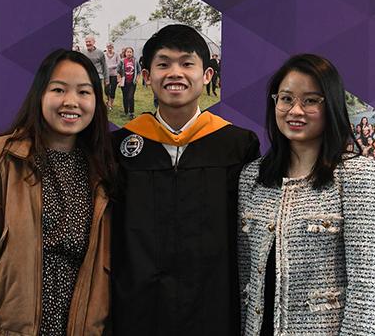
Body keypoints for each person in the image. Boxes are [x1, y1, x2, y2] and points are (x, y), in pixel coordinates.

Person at [0, 49, 117, 335]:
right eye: (58, 89)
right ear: (39, 95)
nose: (71, 102)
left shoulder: (103, 170)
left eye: (84, 92)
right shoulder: (1, 158)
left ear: (96, 102)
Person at [111, 24, 260, 335]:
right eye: (163, 64)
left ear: (207, 75)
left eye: (186, 63)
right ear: (147, 76)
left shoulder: (237, 145)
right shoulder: (120, 148)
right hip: (138, 309)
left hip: (214, 307)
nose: (175, 73)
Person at [238, 54, 375, 335]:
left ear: (330, 105)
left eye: (310, 100)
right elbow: (245, 275)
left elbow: (368, 286)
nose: (295, 110)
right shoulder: (253, 176)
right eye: (285, 99)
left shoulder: (359, 175)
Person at [117, 46, 142, 119]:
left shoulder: (135, 61)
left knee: (130, 97)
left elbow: (139, 71)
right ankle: (125, 112)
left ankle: (131, 112)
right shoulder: (122, 61)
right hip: (124, 82)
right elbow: (118, 71)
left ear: (132, 53)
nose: (129, 53)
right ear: (125, 53)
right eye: (127, 52)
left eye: (130, 52)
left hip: (132, 83)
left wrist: (137, 79)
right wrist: (119, 80)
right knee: (125, 97)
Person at [83, 34, 109, 99]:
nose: (88, 43)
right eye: (86, 42)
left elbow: (104, 66)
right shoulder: (82, 52)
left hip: (98, 77)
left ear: (94, 42)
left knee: (97, 95)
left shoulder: (100, 53)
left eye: (89, 42)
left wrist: (106, 79)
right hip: (86, 77)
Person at [105, 42, 120, 110]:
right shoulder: (104, 54)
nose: (109, 48)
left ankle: (111, 104)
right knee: (107, 89)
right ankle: (108, 100)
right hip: (107, 75)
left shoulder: (116, 54)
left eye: (111, 47)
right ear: (107, 47)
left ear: (113, 47)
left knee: (113, 89)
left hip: (114, 74)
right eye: (108, 47)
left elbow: (119, 63)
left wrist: (112, 66)